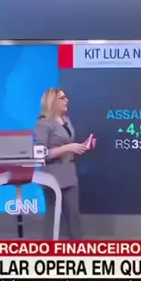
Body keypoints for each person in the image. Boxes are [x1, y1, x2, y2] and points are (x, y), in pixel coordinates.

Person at [34, 88, 91, 239]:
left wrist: (81, 146)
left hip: (69, 174)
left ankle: (77, 247)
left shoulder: (66, 120)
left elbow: (68, 144)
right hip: (52, 176)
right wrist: (67, 148)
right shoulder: (43, 124)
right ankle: (49, 248)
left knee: (73, 215)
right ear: (53, 101)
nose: (67, 100)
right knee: (52, 216)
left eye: (66, 97)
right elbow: (41, 154)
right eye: (62, 98)